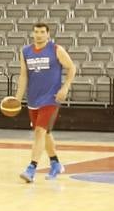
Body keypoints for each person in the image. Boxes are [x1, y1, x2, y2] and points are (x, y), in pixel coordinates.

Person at [14, 22, 75, 183]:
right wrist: (18, 99)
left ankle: (31, 168)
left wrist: (65, 87)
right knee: (45, 133)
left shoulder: (56, 49)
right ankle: (55, 163)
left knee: (39, 132)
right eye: (36, 32)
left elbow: (72, 68)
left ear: (48, 34)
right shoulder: (25, 51)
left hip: (51, 98)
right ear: (32, 34)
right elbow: (23, 76)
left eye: (42, 32)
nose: (39, 34)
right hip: (33, 99)